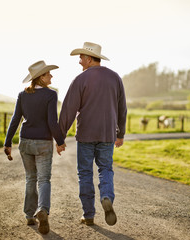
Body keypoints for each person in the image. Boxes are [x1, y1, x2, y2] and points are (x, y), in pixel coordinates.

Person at [58, 42, 127, 226]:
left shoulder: (80, 80)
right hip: (107, 134)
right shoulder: (115, 78)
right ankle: (107, 197)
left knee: (85, 173)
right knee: (106, 169)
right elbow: (122, 108)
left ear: (89, 58)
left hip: (86, 135)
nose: (79, 61)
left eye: (81, 57)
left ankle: (88, 215)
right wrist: (121, 133)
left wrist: (60, 137)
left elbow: (68, 110)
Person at [4, 60, 66, 234]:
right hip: (43, 143)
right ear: (41, 77)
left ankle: (30, 215)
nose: (51, 75)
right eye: (48, 73)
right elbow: (52, 122)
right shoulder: (51, 95)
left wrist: (7, 142)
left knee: (31, 178)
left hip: (25, 141)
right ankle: (43, 210)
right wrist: (60, 142)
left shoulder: (22, 95)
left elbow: (15, 119)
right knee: (44, 179)